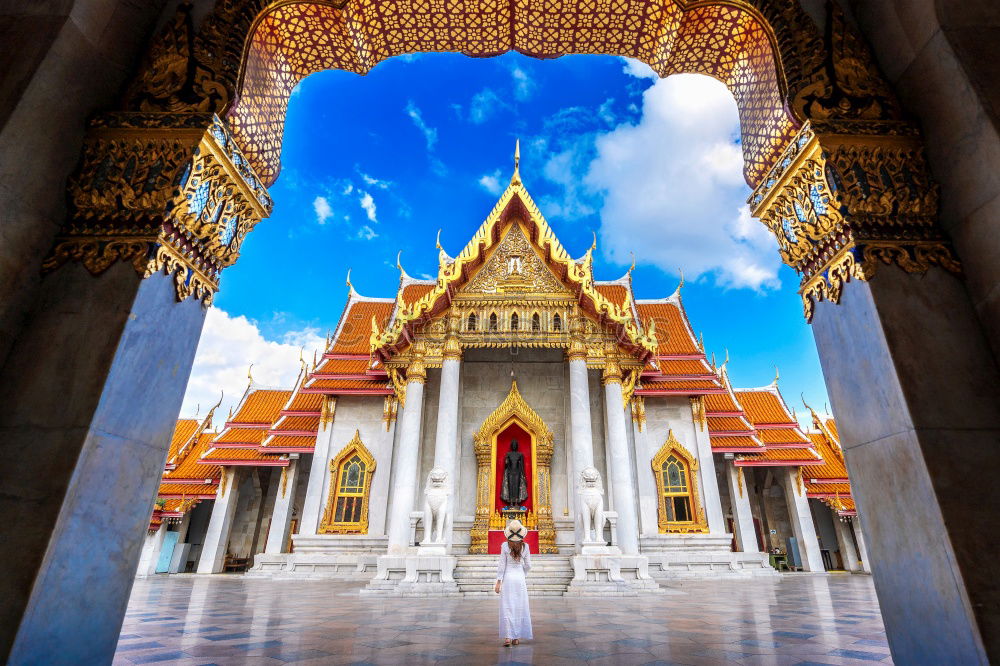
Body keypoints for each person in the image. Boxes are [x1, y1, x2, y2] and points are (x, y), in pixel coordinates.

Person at [494, 519, 533, 646]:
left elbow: (501, 565)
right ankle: (516, 637)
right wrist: (523, 573)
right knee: (519, 607)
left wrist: (498, 581)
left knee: (508, 606)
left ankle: (508, 637)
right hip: (519, 578)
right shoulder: (525, 547)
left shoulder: (505, 546)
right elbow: (528, 565)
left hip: (508, 578)